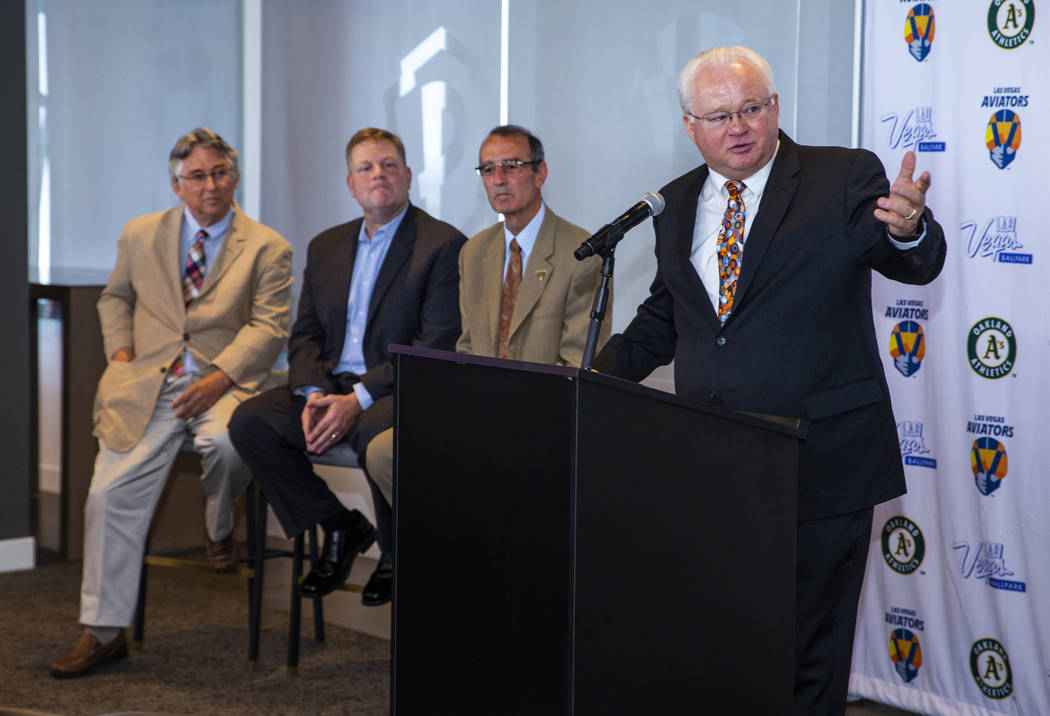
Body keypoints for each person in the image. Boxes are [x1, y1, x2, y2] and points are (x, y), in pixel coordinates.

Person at [591, 46, 946, 714]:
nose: (739, 126)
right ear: (691, 124)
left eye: (752, 108)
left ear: (775, 107)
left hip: (821, 458)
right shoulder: (674, 202)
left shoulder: (840, 176)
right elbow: (663, 321)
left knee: (808, 647)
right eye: (719, 115)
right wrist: (580, 381)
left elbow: (913, 262)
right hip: (714, 460)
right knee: (730, 637)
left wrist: (910, 229)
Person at [50, 127, 294, 678]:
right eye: (198, 176)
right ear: (177, 184)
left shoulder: (267, 246)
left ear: (234, 177)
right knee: (107, 497)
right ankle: (103, 631)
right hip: (147, 388)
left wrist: (220, 378)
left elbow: (269, 327)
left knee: (231, 444)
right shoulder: (141, 234)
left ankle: (217, 526)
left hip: (224, 384)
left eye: (220, 173)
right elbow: (116, 297)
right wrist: (119, 351)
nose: (211, 185)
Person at [228, 128, 466, 609]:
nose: (378, 174)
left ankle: (397, 553)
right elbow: (306, 334)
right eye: (366, 167)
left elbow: (433, 343)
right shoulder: (325, 246)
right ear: (350, 184)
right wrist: (314, 394)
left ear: (408, 176)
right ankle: (339, 525)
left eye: (388, 165)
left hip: (397, 386)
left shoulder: (442, 244)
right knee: (250, 422)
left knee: (372, 434)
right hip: (330, 383)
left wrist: (356, 400)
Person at [361, 125, 610, 572]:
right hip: (478, 414)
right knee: (384, 451)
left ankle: (480, 557)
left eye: (512, 166)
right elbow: (465, 349)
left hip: (541, 421)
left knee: (496, 474)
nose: (498, 178)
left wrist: (505, 417)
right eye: (488, 168)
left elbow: (578, 367)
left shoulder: (581, 251)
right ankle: (464, 550)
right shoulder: (474, 252)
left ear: (540, 173)